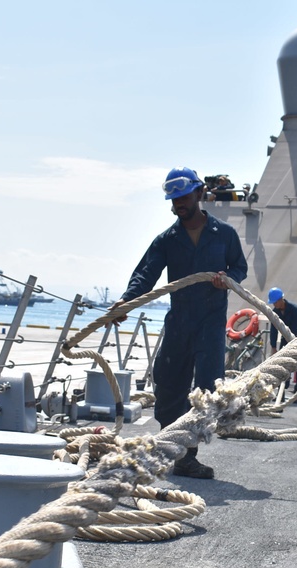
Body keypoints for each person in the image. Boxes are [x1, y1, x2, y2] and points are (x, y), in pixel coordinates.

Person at [112, 167, 248, 479]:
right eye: (174, 199)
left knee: (205, 389)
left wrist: (229, 279)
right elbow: (145, 274)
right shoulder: (167, 240)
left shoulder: (224, 235)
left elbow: (239, 266)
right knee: (169, 384)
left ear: (200, 194)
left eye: (184, 197)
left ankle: (187, 456)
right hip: (179, 322)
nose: (178, 204)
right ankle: (168, 448)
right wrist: (127, 301)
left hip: (211, 323)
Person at [267, 286, 297, 392]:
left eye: (275, 302)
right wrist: (273, 347)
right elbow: (274, 330)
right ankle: (282, 391)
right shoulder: (275, 312)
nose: (274, 304)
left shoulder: (295, 310)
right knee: (284, 365)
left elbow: (295, 328)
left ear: (281, 299)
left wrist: (291, 346)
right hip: (286, 340)